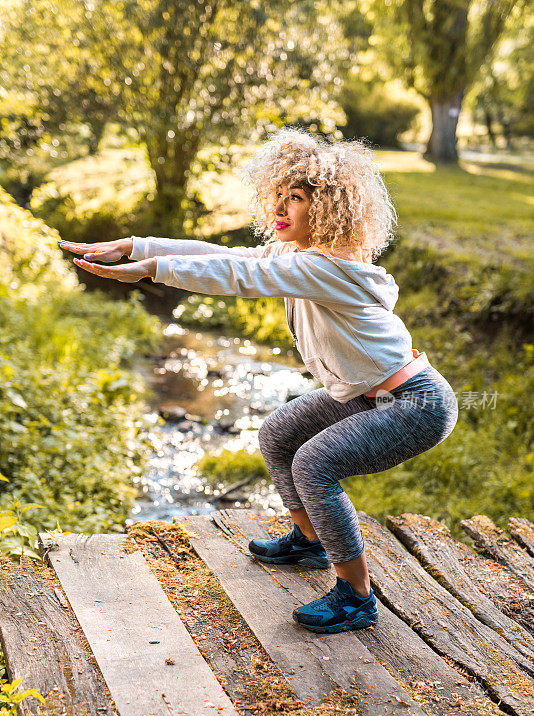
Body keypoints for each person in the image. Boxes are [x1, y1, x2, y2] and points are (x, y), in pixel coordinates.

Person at [58, 126, 458, 635]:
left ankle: (357, 598)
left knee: (316, 464)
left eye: (297, 198)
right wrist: (135, 245)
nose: (282, 207)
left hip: (413, 405)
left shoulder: (324, 267)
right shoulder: (296, 259)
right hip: (364, 395)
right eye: (280, 195)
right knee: (277, 433)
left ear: (331, 209)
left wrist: (150, 270)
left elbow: (238, 277)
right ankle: (310, 541)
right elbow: (224, 257)